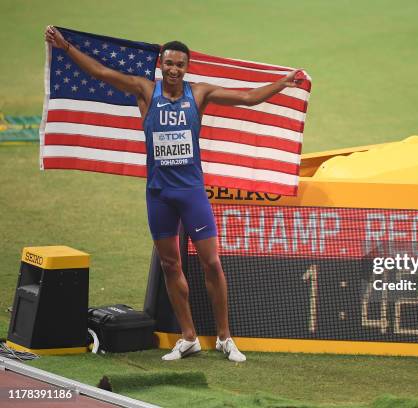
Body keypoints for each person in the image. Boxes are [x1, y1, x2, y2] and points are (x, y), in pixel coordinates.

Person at [45, 26, 303, 362]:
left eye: (180, 64)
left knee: (211, 263)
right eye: (168, 63)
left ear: (187, 67)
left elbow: (247, 98)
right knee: (170, 264)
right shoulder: (144, 90)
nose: (173, 69)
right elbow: (100, 72)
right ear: (161, 64)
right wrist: (65, 47)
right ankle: (188, 337)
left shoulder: (198, 94)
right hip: (159, 194)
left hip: (192, 192)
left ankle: (225, 337)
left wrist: (282, 83)